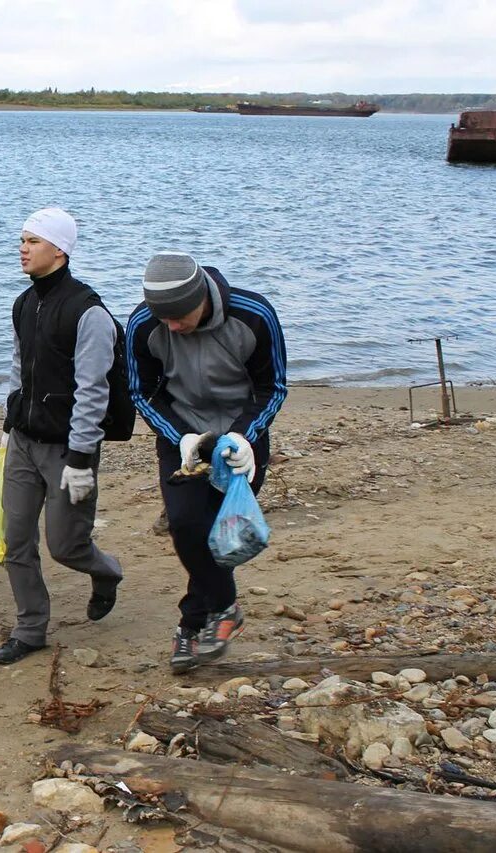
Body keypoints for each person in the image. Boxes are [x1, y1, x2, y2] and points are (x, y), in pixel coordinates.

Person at [125, 252, 286, 673]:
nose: (173, 326)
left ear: (203, 297)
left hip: (240, 436)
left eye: (180, 316)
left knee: (219, 530)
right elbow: (142, 392)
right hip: (183, 436)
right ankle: (224, 609)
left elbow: (273, 385)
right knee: (185, 524)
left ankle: (193, 625)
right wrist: (182, 437)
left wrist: (244, 436)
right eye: (165, 319)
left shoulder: (253, 315)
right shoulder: (144, 325)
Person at [0, 208, 125, 666]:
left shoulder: (88, 313)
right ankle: (30, 628)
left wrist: (82, 459)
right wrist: (9, 430)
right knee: (15, 541)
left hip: (68, 449)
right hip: (24, 443)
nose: (23, 248)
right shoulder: (24, 304)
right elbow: (18, 370)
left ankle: (106, 572)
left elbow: (94, 392)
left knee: (66, 546)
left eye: (33, 240)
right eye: (22, 239)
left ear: (60, 250)